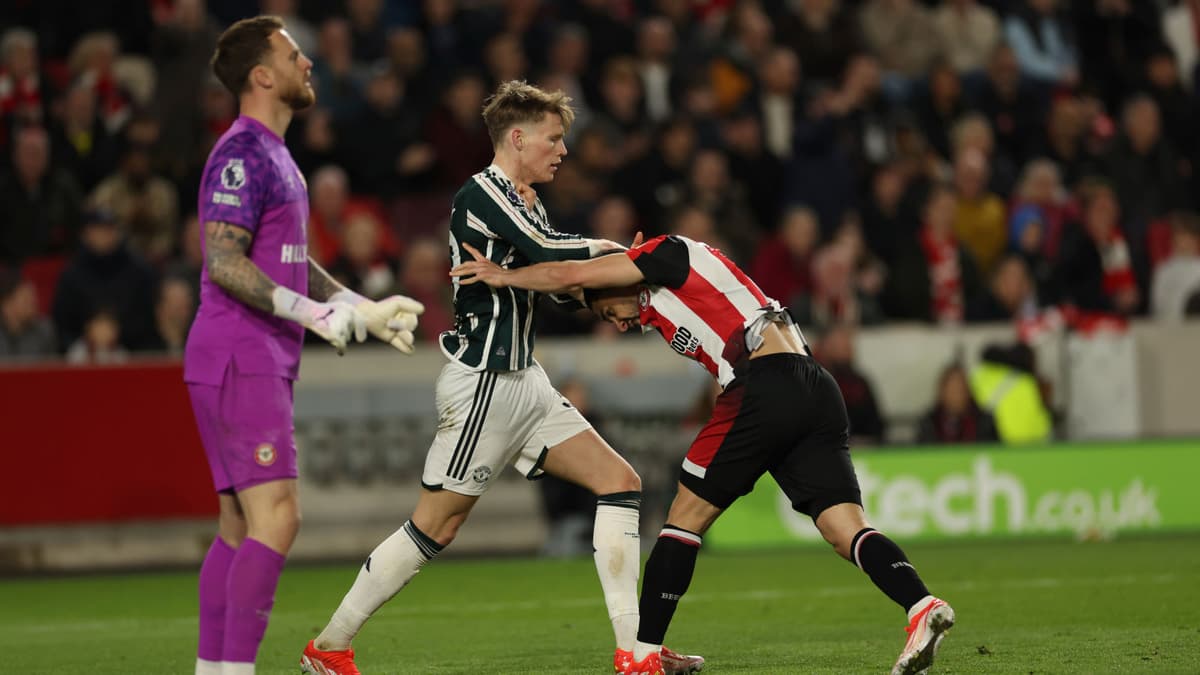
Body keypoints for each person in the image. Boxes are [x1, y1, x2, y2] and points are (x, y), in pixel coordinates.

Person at [301, 80, 702, 675]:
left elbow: (554, 283)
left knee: (620, 481)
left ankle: (634, 651)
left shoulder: (527, 200)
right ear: (517, 138)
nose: (563, 150)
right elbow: (548, 250)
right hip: (484, 383)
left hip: (524, 381)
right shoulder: (480, 194)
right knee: (436, 524)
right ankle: (329, 647)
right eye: (554, 138)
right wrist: (623, 256)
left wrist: (606, 294)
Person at [451, 233, 955, 675]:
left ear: (620, 274)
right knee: (844, 527)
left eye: (608, 311)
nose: (618, 324)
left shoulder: (664, 254)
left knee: (682, 519)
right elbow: (600, 283)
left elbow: (573, 272)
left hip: (765, 382)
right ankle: (920, 606)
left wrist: (505, 276)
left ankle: (643, 655)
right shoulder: (662, 296)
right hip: (814, 386)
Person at [186, 16, 424, 675]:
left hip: (243, 354)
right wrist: (314, 316)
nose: (309, 63)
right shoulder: (241, 154)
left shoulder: (274, 154)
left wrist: (360, 308)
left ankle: (216, 671)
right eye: (295, 55)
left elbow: (289, 263)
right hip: (241, 353)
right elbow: (224, 262)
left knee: (240, 525)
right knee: (279, 516)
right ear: (263, 75)